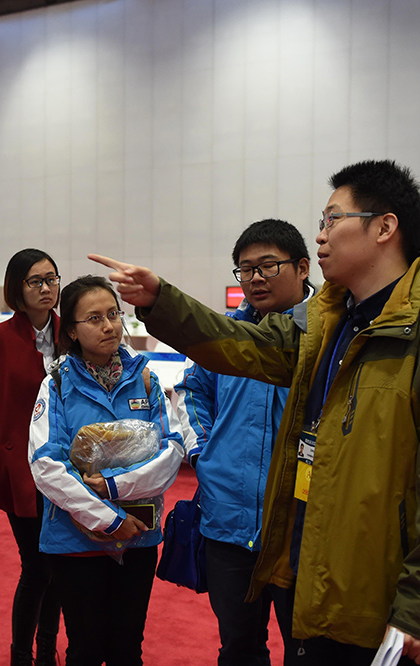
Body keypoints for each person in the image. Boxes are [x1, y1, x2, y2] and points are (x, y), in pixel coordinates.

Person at [90, 159, 420, 666]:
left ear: (385, 226)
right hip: (311, 559)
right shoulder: (332, 326)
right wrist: (161, 300)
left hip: (382, 583)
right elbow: (240, 344)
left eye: (333, 220)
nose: (320, 236)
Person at [172, 219, 313, 666]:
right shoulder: (225, 335)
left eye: (268, 266)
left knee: (307, 649)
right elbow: (193, 390)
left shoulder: (327, 336)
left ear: (304, 267)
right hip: (229, 518)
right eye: (245, 269)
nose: (255, 277)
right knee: (238, 646)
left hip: (301, 524)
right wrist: (205, 452)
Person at [29, 275, 184, 666]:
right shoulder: (57, 384)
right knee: (85, 647)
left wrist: (114, 487)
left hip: (140, 537)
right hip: (74, 540)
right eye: (94, 318)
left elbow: (172, 451)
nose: (109, 325)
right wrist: (108, 520)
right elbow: (47, 465)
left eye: (113, 314)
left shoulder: (147, 379)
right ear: (72, 330)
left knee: (128, 647)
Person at [0, 248, 63, 666]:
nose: (47, 288)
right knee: (37, 569)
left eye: (52, 279)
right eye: (36, 281)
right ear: (17, 288)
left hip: (69, 472)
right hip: (20, 472)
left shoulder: (74, 331)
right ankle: (21, 654)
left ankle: (47, 648)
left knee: (60, 567)